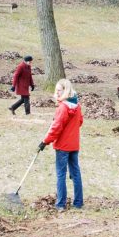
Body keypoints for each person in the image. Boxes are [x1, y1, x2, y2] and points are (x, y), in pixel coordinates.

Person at [39, 79, 84, 212]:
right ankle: (78, 202)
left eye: (59, 90)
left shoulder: (63, 108)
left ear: (66, 91)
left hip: (63, 147)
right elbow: (80, 121)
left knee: (61, 174)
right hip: (74, 145)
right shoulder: (77, 105)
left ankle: (60, 204)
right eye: (56, 90)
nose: (57, 93)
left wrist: (45, 141)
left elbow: (56, 127)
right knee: (75, 173)